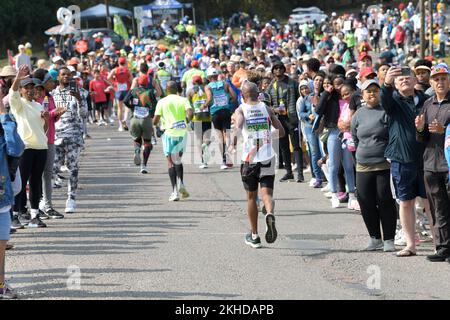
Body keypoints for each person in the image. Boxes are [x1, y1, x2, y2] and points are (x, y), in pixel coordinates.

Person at [381, 65, 428, 257]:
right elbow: (383, 100)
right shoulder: (393, 101)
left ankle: (440, 244)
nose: (404, 80)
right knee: (406, 202)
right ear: (395, 84)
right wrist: (386, 83)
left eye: (407, 77)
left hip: (427, 159)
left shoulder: (427, 100)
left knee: (430, 203)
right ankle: (410, 245)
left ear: (415, 80)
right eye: (400, 79)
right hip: (401, 159)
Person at [231, 81, 285, 248]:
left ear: (242, 95)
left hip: (250, 160)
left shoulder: (241, 110)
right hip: (268, 157)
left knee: (251, 198)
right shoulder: (267, 109)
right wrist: (267, 138)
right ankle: (269, 213)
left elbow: (238, 129)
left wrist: (231, 144)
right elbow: (281, 132)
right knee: (267, 195)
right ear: (258, 93)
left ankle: (254, 235)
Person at [351, 79, 397, 252]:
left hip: (383, 165)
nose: (372, 93)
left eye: (375, 90)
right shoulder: (358, 114)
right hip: (363, 165)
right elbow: (355, 137)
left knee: (385, 201)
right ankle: (375, 238)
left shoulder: (386, 111)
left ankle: (389, 239)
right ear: (362, 94)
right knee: (365, 202)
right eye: (368, 91)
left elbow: (392, 136)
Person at [415, 63, 450, 262]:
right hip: (431, 163)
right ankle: (443, 248)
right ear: (431, 82)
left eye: (444, 78)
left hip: (449, 165)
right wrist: (420, 129)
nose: (440, 82)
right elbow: (422, 138)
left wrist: (444, 131)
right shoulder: (427, 104)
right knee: (438, 208)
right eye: (436, 79)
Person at [9, 65, 48, 228]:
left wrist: (45, 119)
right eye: (27, 88)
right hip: (26, 148)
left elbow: (43, 129)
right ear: (22, 90)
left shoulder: (39, 106)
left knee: (36, 182)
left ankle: (34, 215)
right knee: (21, 182)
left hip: (41, 147)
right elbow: (12, 94)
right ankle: (16, 215)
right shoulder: (20, 105)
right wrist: (18, 77)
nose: (30, 90)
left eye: (33, 88)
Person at [52, 67, 88, 214]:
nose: (66, 77)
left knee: (73, 167)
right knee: (52, 169)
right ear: (58, 77)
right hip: (56, 136)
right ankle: (45, 200)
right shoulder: (51, 94)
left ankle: (71, 199)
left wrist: (79, 99)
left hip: (74, 136)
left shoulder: (81, 93)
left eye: (69, 75)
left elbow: (84, 114)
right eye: (63, 74)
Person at [0, 86, 25, 299]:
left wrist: (4, 118)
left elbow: (16, 148)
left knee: (0, 246)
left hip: (1, 198)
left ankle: (0, 284)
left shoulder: (4, 127)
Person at [33, 69, 66, 219]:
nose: (53, 83)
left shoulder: (49, 96)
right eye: (51, 81)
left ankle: (46, 205)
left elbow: (51, 117)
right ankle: (39, 205)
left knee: (47, 174)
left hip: (50, 138)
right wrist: (54, 112)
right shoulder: (39, 96)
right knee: (38, 174)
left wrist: (58, 114)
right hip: (40, 139)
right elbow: (41, 114)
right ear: (44, 83)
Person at [153, 81, 193, 201]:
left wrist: (155, 125)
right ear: (176, 89)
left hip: (169, 133)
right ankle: (181, 183)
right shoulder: (183, 100)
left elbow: (155, 120)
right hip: (181, 132)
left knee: (170, 162)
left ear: (166, 89)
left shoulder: (161, 101)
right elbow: (190, 112)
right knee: (178, 160)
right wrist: (187, 120)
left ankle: (174, 191)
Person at [267, 60, 304, 183]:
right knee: (283, 147)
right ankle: (289, 172)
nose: (278, 70)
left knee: (296, 146)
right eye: (275, 68)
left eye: (280, 68)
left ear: (284, 69)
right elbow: (265, 103)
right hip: (279, 120)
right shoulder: (271, 86)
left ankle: (300, 173)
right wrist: (274, 109)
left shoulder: (292, 83)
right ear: (273, 71)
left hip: (292, 118)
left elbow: (300, 100)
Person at [204, 68, 237, 170]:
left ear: (209, 77)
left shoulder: (208, 86)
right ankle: (230, 148)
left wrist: (203, 106)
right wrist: (229, 100)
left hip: (215, 112)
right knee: (227, 132)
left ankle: (223, 160)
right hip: (226, 111)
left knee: (219, 136)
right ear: (217, 75)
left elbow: (209, 99)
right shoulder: (225, 84)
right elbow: (234, 96)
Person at [124, 75, 157, 174]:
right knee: (147, 142)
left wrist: (132, 107)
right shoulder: (150, 92)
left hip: (135, 119)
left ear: (138, 83)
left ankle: (137, 150)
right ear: (147, 83)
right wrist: (151, 114)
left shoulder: (133, 91)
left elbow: (125, 100)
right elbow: (155, 105)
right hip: (146, 119)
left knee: (136, 138)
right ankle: (144, 165)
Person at [187, 75, 211, 169]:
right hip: (207, 117)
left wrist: (189, 118)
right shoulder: (206, 89)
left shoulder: (190, 92)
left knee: (198, 139)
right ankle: (205, 144)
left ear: (193, 82)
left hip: (196, 118)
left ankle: (203, 161)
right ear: (201, 81)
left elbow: (189, 106)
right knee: (207, 138)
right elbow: (211, 101)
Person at [108, 57, 133, 132]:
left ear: (118, 63)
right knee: (127, 106)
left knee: (119, 107)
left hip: (118, 89)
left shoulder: (115, 70)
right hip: (126, 89)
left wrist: (113, 83)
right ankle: (125, 119)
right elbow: (131, 80)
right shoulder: (127, 70)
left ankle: (120, 125)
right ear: (125, 62)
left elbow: (108, 77)